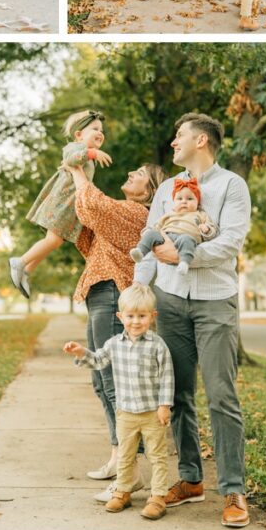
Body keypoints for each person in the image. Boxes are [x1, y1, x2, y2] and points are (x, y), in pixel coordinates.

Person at [135, 113, 253, 528]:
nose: (173, 142)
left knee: (222, 396)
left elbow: (230, 242)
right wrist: (139, 291)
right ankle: (189, 480)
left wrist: (186, 257)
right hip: (169, 301)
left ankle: (234, 489)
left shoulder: (232, 186)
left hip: (215, 301)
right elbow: (150, 243)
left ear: (200, 140)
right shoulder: (166, 188)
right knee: (178, 395)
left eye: (179, 135)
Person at [64, 159, 166, 498]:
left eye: (137, 174)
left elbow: (92, 204)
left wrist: (77, 168)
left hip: (112, 293)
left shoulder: (139, 215)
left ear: (149, 191)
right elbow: (87, 218)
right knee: (100, 380)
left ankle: (128, 472)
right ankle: (116, 457)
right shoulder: (124, 212)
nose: (128, 174)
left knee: (112, 384)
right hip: (100, 295)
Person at [64, 283, 173, 521]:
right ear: (120, 316)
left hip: (152, 413)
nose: (135, 322)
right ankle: (123, 491)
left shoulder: (158, 346)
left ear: (152, 316)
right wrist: (82, 352)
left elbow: (167, 377)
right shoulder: (114, 344)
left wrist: (164, 405)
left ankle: (157, 496)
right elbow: (98, 360)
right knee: (125, 454)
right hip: (125, 413)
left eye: (142, 316)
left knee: (157, 456)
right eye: (130, 316)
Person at [8, 110, 112, 298]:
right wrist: (92, 152)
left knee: (54, 242)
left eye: (101, 130)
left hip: (69, 208)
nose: (100, 133)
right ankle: (20, 262)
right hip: (61, 204)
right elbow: (71, 159)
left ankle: (27, 271)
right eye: (95, 129)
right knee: (53, 240)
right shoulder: (75, 148)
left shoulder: (87, 158)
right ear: (79, 135)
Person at [130, 178, 217, 277]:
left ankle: (184, 262)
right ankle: (140, 252)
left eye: (190, 199)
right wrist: (148, 232)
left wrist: (207, 229)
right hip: (166, 237)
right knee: (151, 234)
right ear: (174, 201)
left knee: (187, 241)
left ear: (198, 202)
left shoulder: (200, 214)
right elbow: (156, 226)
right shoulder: (170, 214)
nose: (184, 202)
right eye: (179, 199)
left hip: (185, 237)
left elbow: (212, 229)